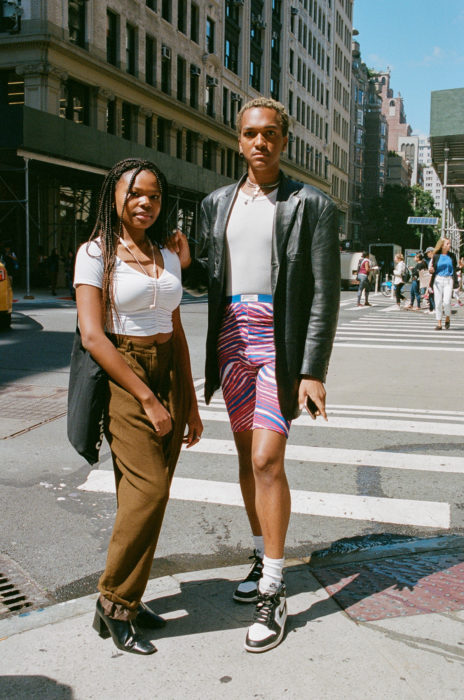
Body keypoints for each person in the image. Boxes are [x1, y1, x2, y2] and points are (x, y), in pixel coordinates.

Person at [170, 98, 340, 653]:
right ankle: (260, 552)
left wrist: (312, 369)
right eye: (250, 134)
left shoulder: (309, 203)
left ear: (284, 141)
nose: (260, 142)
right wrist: (190, 265)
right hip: (232, 339)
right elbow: (208, 286)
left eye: (270, 134)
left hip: (280, 339)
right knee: (247, 460)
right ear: (238, 141)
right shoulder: (217, 203)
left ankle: (273, 586)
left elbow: (323, 292)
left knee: (269, 459)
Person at [74, 158, 203, 655]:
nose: (145, 203)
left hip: (168, 365)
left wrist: (188, 401)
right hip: (124, 374)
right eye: (134, 194)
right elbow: (91, 335)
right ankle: (113, 603)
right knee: (147, 492)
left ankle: (130, 597)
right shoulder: (95, 253)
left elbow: (176, 326)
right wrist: (148, 398)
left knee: (148, 495)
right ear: (114, 198)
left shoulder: (167, 255)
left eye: (153, 195)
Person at [429, 237, 457, 330]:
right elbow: (431, 269)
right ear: (442, 246)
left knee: (447, 302)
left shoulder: (452, 256)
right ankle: (439, 323)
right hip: (438, 280)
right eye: (447, 244)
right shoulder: (436, 256)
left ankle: (447, 317)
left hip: (449, 279)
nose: (449, 245)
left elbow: (455, 269)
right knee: (438, 302)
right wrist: (431, 270)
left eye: (449, 243)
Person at [424, 246, 435, 313]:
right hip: (431, 278)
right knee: (430, 294)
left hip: (433, 278)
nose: (427, 254)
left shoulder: (433, 259)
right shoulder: (432, 259)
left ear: (430, 252)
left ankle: (434, 308)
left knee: (432, 294)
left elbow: (432, 272)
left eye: (427, 253)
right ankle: (431, 308)